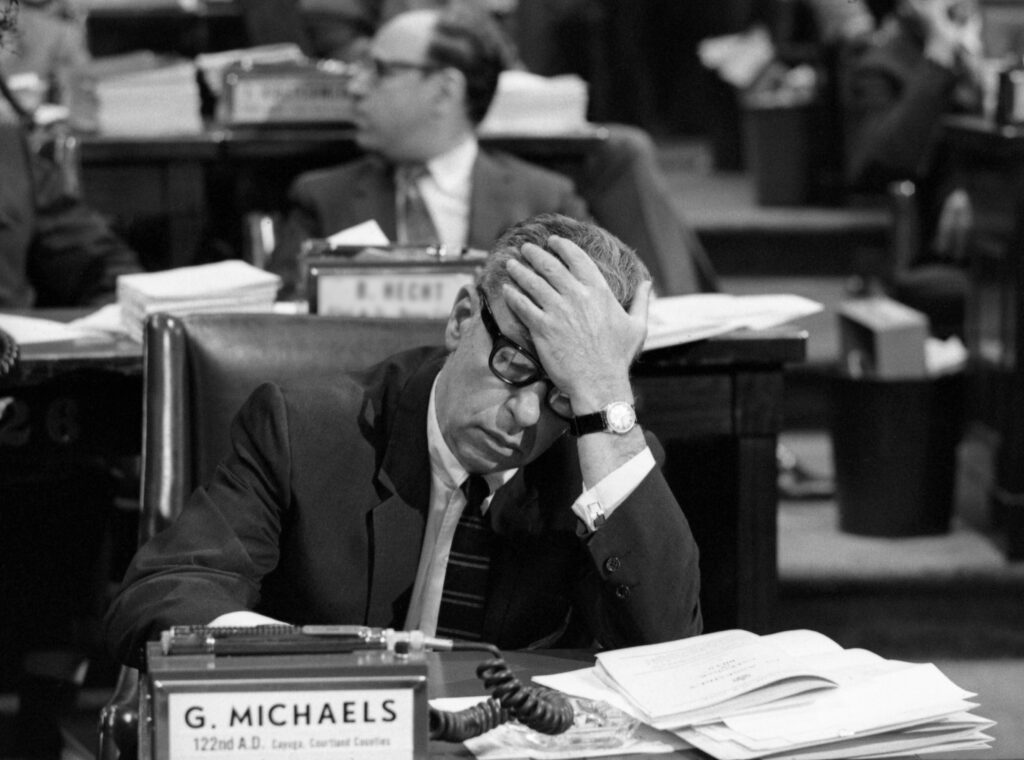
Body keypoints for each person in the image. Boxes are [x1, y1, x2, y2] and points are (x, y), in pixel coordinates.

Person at [104, 212, 704, 668]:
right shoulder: (303, 430)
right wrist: (315, 672)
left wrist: (601, 397)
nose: (525, 414)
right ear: (463, 318)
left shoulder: (603, 457)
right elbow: (162, 597)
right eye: (515, 364)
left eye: (562, 395)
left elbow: (672, 655)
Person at [270, 4, 714, 299]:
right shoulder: (321, 199)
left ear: (445, 90)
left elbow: (589, 318)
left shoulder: (546, 199)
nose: (355, 85)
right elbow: (280, 329)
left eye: (380, 71)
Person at [839, 0, 984, 337]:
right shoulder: (878, 65)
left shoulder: (977, 60)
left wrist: (973, 191)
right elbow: (880, 160)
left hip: (989, 225)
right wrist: (938, 58)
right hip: (932, 245)